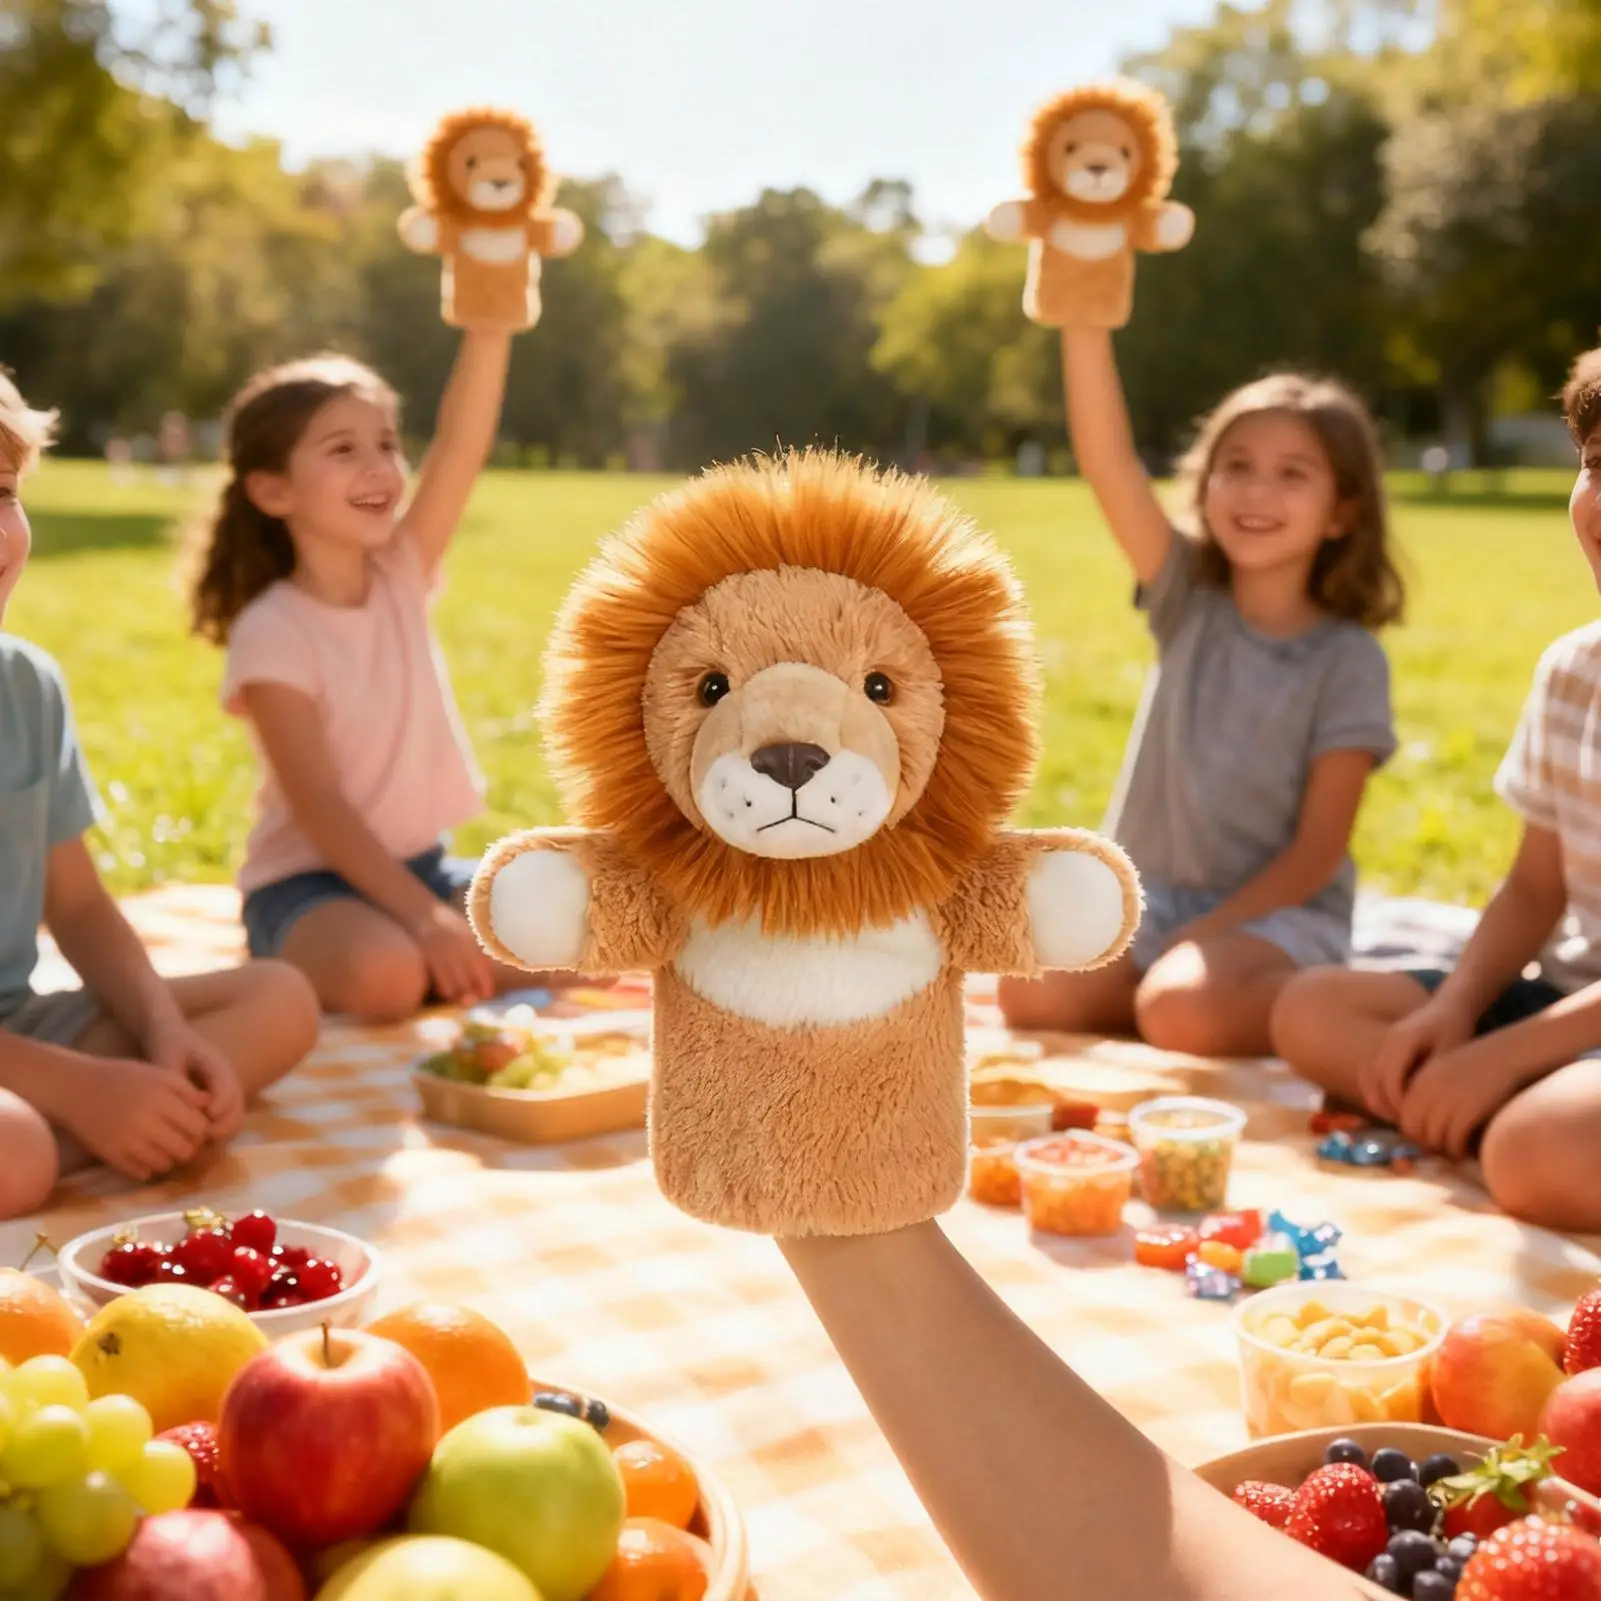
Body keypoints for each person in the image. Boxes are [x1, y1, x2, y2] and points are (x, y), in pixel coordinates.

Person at [999, 329, 1405, 1058]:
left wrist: (1205, 937)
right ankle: (1161, 1001)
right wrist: (1082, 322)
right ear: (1205, 483)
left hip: (1278, 915)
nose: (1256, 491)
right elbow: (1107, 462)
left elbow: (1316, 854)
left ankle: (1301, 1005)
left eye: (1292, 474)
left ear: (1341, 511)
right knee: (1031, 991)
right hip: (1151, 897)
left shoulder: (1348, 659)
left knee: (1182, 1007)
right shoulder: (1186, 595)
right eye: (1236, 466)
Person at [1270, 347, 1601, 1236]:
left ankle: (1511, 1122)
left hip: (1562, 1039)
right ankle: (1492, 1111)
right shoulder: (1574, 670)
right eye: (1599, 466)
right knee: (1308, 1008)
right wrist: (1456, 1015)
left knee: (1536, 1154)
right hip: (1568, 1003)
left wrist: (1504, 1055)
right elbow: (1535, 888)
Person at [188, 334, 583, 1022]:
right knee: (386, 977)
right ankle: (368, 956)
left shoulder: (400, 571)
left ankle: (445, 957)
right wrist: (428, 921)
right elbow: (319, 804)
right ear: (272, 489)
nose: (380, 468)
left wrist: (491, 321)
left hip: (420, 868)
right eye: (343, 450)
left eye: (386, 444)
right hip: (305, 887)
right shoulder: (272, 632)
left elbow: (461, 446)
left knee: (579, 927)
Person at [0, 370, 318, 1219]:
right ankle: (86, 1130)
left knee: (279, 999)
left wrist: (161, 1036)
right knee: (17, 1149)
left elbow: (80, 905)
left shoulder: (27, 684)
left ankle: (109, 1119)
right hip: (21, 1088)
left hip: (17, 1026)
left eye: (0, 493)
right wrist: (86, 1089)